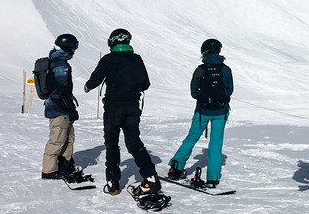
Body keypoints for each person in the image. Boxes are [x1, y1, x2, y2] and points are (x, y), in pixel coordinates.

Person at [84, 28, 161, 196]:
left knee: (112, 144)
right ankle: (151, 177)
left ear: (112, 41)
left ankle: (113, 183)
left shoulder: (108, 59)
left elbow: (94, 80)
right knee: (134, 143)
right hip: (133, 107)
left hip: (113, 108)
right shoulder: (137, 59)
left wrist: (87, 86)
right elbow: (146, 83)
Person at [166, 38, 233, 188]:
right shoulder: (225, 69)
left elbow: (194, 92)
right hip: (221, 112)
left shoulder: (200, 70)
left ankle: (176, 168)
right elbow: (230, 90)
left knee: (191, 138)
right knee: (216, 144)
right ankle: (212, 178)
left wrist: (204, 100)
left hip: (202, 111)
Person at [41, 34, 88, 182]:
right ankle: (49, 170)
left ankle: (65, 163)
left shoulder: (56, 60)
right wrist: (71, 108)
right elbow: (62, 90)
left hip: (59, 107)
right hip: (58, 108)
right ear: (68, 47)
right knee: (57, 139)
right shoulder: (60, 65)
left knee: (68, 137)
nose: (74, 51)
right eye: (74, 47)